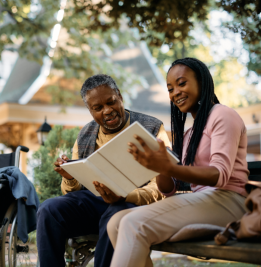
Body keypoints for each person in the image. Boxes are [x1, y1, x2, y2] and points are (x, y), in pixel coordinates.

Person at [107, 58, 249, 267]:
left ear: (201, 81)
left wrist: (169, 167)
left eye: (182, 84)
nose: (175, 93)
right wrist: (158, 168)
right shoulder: (189, 134)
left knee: (132, 223)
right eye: (170, 89)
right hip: (204, 201)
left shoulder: (222, 115)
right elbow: (169, 189)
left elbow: (220, 175)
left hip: (230, 201)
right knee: (116, 222)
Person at [36, 74, 171, 267]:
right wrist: (70, 178)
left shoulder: (151, 128)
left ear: (120, 97)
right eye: (97, 108)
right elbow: (70, 194)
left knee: (114, 216)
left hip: (131, 205)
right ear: (90, 110)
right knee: (49, 209)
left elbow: (161, 189)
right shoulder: (85, 134)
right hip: (95, 203)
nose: (107, 111)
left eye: (111, 102)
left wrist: (124, 196)